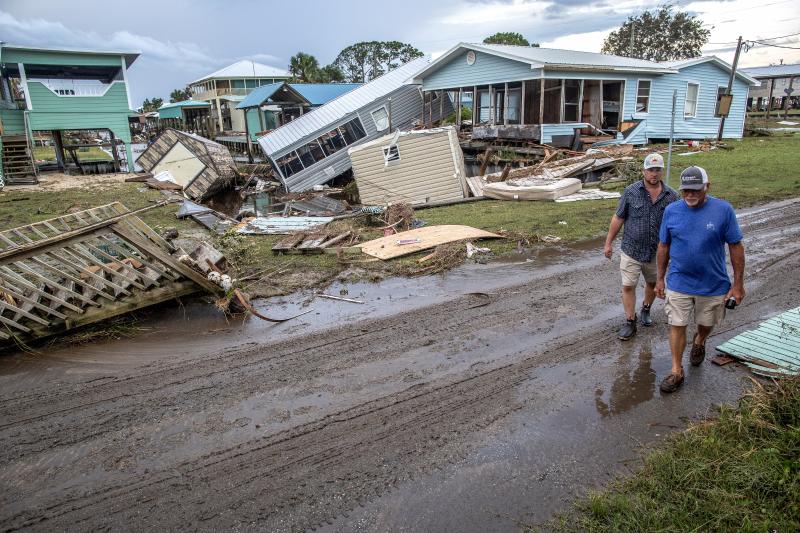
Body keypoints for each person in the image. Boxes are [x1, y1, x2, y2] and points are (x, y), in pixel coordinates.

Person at [655, 166, 745, 393]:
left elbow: (735, 246)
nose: (690, 195)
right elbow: (663, 246)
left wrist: (737, 284)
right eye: (686, 190)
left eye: (695, 190)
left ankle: (700, 341)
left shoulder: (723, 210)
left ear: (707, 187)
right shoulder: (671, 211)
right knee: (676, 324)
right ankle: (677, 370)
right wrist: (659, 279)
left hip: (713, 284)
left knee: (706, 324)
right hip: (679, 281)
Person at [604, 153, 678, 341]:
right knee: (628, 285)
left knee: (653, 284)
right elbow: (618, 217)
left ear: (662, 171)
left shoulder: (672, 196)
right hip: (632, 249)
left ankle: (646, 308)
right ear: (644, 171)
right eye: (650, 170)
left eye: (657, 170)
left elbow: (677, 224)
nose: (654, 173)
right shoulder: (630, 192)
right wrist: (608, 242)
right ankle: (630, 321)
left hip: (657, 253)